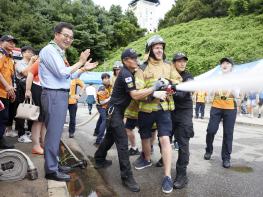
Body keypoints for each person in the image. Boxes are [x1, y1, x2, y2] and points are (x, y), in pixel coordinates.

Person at [94, 48, 168, 192]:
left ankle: (99, 159)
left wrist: (154, 93)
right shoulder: (126, 74)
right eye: (133, 58)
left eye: (136, 58)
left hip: (115, 112)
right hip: (114, 112)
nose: (136, 60)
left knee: (109, 138)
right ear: (125, 61)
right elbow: (134, 95)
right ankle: (127, 177)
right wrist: (154, 88)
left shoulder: (131, 73)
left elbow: (138, 94)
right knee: (122, 144)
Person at [39, 22, 98, 182]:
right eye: (65, 35)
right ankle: (51, 170)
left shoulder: (58, 53)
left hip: (59, 94)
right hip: (54, 94)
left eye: (71, 37)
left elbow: (69, 76)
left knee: (57, 133)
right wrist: (80, 61)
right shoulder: (49, 50)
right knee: (53, 134)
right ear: (56, 34)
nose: (68, 39)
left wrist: (84, 69)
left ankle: (55, 164)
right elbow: (62, 72)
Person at [134, 35, 182, 194]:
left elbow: (178, 83)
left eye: (161, 47)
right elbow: (138, 90)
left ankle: (167, 176)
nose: (160, 49)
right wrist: (153, 94)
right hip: (146, 109)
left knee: (165, 139)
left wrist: (170, 85)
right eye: (156, 47)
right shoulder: (141, 68)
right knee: (145, 137)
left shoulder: (169, 66)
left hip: (164, 109)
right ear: (150, 50)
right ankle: (147, 158)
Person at [204, 57, 238, 169]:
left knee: (228, 133)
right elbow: (210, 92)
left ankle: (226, 158)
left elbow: (237, 95)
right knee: (211, 130)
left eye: (227, 63)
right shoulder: (216, 78)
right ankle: (208, 150)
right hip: (216, 107)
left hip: (230, 108)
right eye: (223, 63)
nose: (224, 65)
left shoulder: (236, 79)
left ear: (231, 67)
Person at [171, 52, 194, 189]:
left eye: (184, 61)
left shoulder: (188, 77)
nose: (182, 63)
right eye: (179, 61)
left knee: (183, 142)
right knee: (164, 140)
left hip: (184, 112)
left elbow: (182, 93)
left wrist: (173, 88)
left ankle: (182, 175)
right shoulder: (169, 75)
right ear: (174, 63)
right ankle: (165, 158)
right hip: (169, 111)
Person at [15, 46, 37, 143]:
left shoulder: (34, 63)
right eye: (28, 52)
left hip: (32, 88)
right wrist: (32, 62)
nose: (31, 54)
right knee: (22, 111)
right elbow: (25, 73)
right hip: (21, 89)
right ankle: (21, 134)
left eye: (32, 52)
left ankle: (29, 131)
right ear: (23, 53)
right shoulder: (19, 63)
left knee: (31, 110)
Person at [25, 59, 46, 154]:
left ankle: (43, 143)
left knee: (44, 120)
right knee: (38, 119)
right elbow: (30, 73)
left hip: (47, 90)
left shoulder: (60, 59)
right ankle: (36, 145)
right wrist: (28, 90)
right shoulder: (42, 59)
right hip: (38, 87)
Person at [0, 35, 18, 149]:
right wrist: (7, 86)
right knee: (2, 117)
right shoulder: (1, 54)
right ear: (1, 42)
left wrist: (12, 91)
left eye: (14, 42)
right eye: (9, 41)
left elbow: (11, 77)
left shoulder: (10, 58)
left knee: (4, 117)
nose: (12, 44)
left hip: (5, 93)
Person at [94, 73, 111, 146]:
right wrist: (111, 98)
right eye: (105, 78)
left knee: (101, 119)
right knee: (104, 120)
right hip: (101, 106)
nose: (107, 80)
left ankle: (96, 132)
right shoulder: (102, 88)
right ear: (102, 79)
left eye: (108, 78)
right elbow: (102, 102)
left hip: (104, 106)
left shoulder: (108, 86)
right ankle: (99, 140)